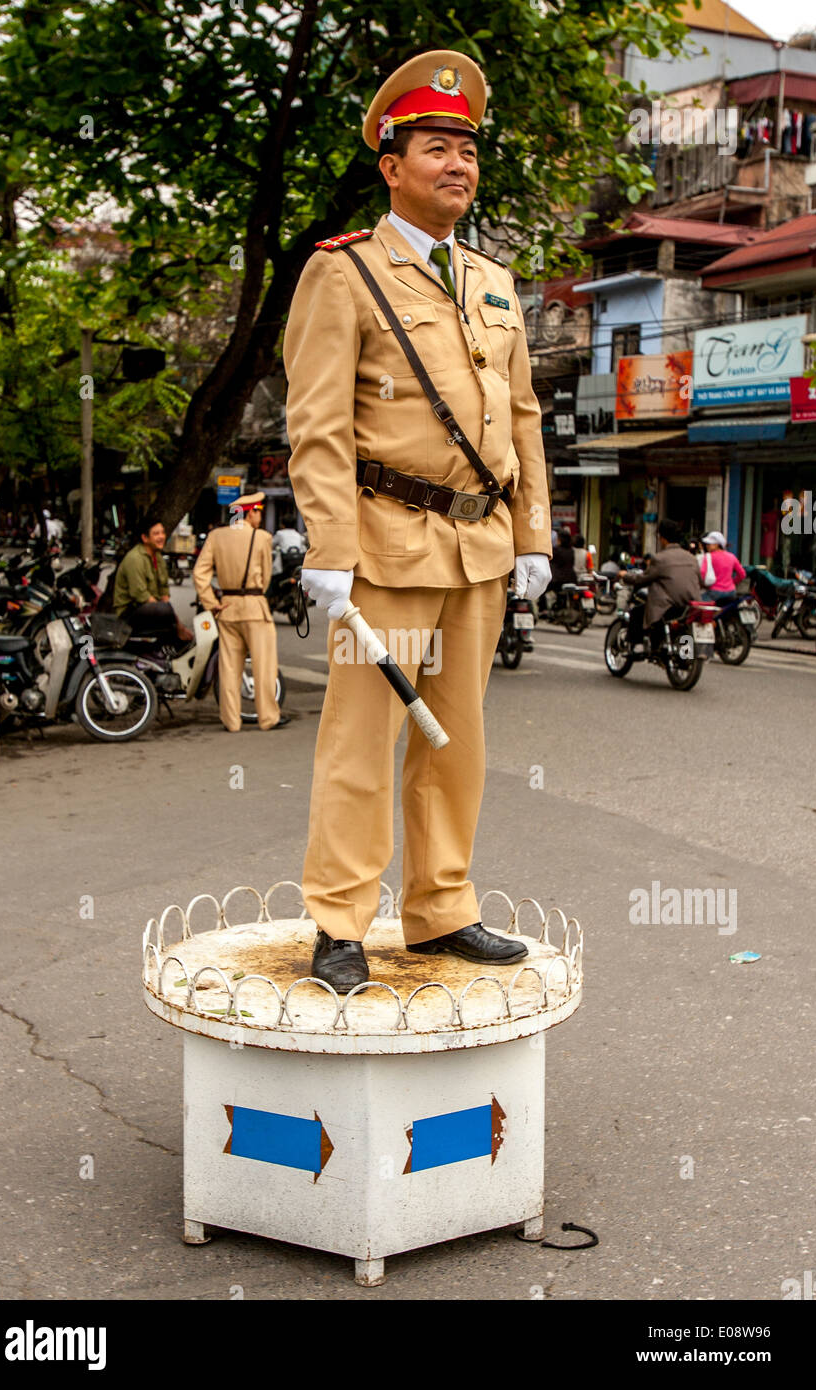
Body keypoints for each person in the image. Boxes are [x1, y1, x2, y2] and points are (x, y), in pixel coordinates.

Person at [283, 49, 552, 992]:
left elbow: (522, 417)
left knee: (458, 741)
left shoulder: (494, 281)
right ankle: (341, 922)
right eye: (436, 147)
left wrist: (535, 534)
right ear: (392, 164)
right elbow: (316, 426)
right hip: (387, 545)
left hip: (479, 548)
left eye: (468, 151)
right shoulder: (345, 274)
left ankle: (442, 910)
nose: (458, 166)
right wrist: (327, 549)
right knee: (361, 742)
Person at [192, 492, 289, 732]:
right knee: (264, 666)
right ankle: (268, 717)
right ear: (250, 512)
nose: (260, 516)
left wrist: (211, 602)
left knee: (229, 668)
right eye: (259, 512)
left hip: (226, 607)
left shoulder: (216, 536)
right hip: (255, 607)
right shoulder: (262, 538)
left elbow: (199, 574)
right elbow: (266, 578)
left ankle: (231, 721)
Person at [619, 518, 701, 652]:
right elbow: (700, 580)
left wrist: (624, 576)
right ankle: (686, 654)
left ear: (662, 538)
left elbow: (642, 579)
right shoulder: (692, 558)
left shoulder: (659, 558)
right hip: (689, 605)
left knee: (638, 611)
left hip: (667, 606)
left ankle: (635, 648)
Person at [113, 516, 192, 643]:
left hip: (149, 607)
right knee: (165, 611)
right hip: (129, 612)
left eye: (162, 532)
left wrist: (176, 622)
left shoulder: (158, 557)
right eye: (156, 534)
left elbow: (164, 593)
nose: (161, 536)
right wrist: (176, 623)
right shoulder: (135, 558)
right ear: (145, 538)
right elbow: (140, 595)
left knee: (169, 615)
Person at [699, 530, 746, 605]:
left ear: (718, 544)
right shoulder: (732, 556)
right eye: (707, 543)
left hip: (714, 592)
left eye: (710, 543)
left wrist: (701, 585)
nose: (707, 545)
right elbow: (742, 574)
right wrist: (733, 582)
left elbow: (702, 573)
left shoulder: (708, 556)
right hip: (731, 592)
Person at [542, 528, 576, 611]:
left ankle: (543, 610)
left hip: (558, 580)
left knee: (541, 590)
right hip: (571, 578)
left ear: (560, 539)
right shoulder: (571, 550)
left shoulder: (556, 551)